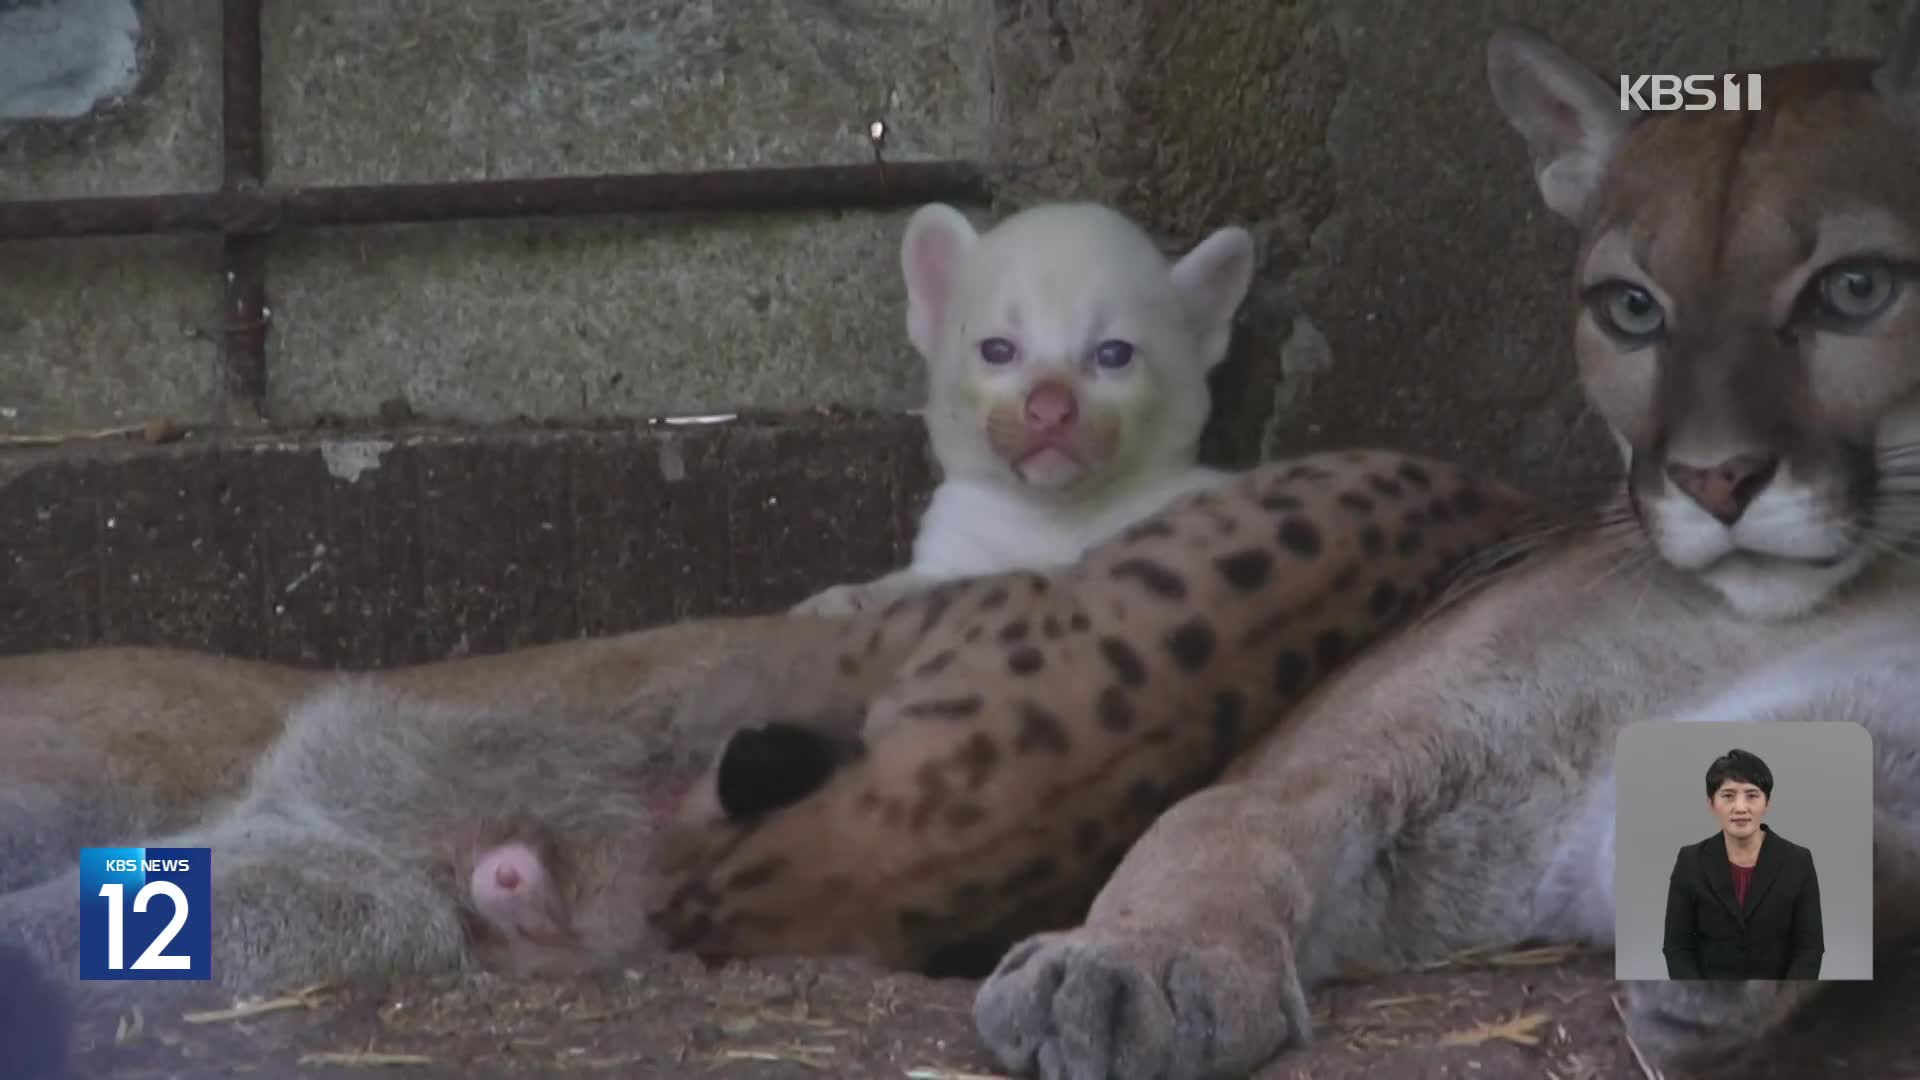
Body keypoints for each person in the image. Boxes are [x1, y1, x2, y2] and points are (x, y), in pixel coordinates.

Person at [1661, 748, 1824, 980]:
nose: (1740, 808)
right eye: (1728, 796)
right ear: (1711, 803)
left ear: (1767, 803)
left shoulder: (1798, 861)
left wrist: (1787, 995)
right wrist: (1700, 995)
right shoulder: (1690, 861)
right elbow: (1676, 946)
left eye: (1751, 795)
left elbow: (1810, 947)